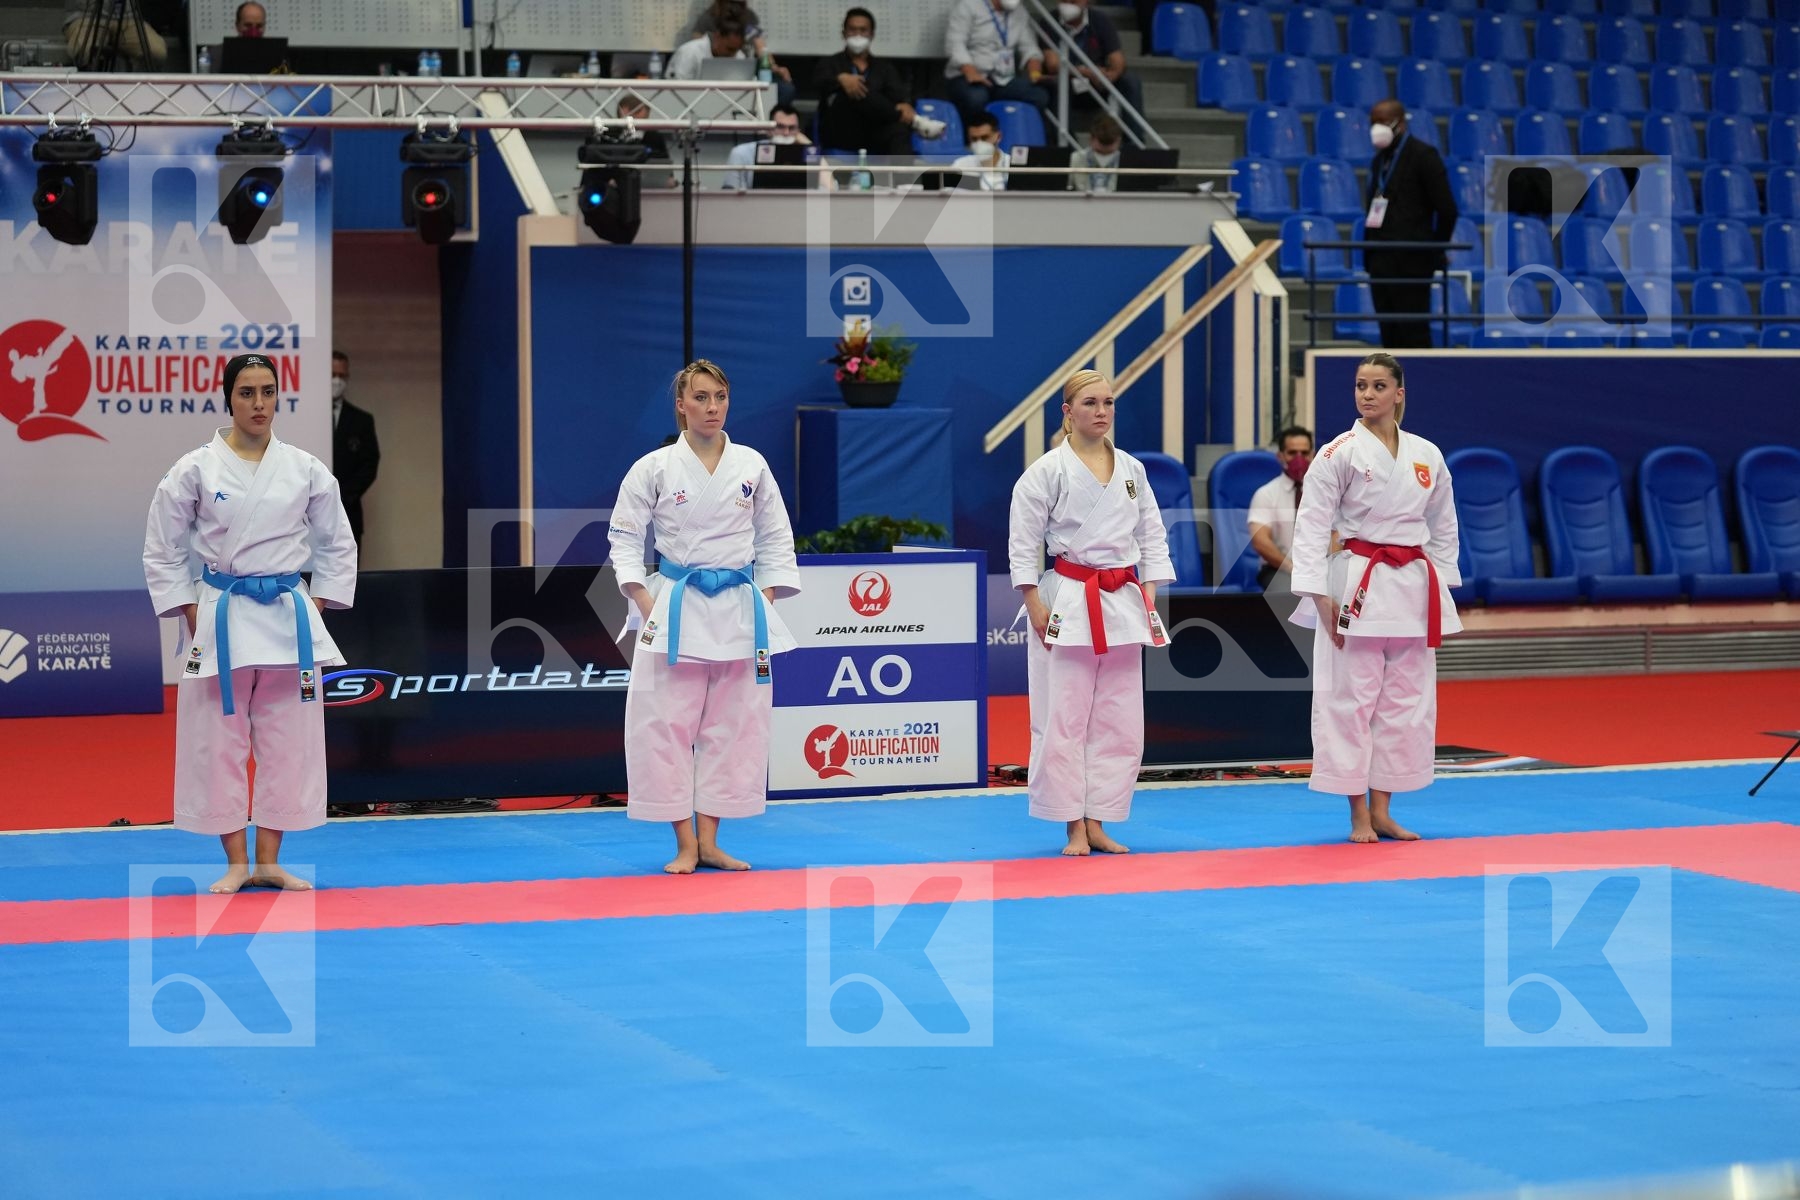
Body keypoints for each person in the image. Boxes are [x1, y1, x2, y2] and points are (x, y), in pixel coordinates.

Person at [142, 353, 358, 894]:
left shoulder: (305, 467)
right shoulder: (195, 468)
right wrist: (188, 609)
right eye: (246, 393)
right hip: (224, 614)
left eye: (267, 391)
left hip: (288, 618)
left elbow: (337, 542)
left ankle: (269, 860)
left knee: (290, 741)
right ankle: (236, 861)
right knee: (218, 741)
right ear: (228, 398)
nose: (258, 403)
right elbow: (162, 546)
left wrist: (318, 605)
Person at [607, 359, 802, 874]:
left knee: (735, 726)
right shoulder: (653, 467)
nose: (711, 407)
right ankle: (684, 843)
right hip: (676, 604)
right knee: (663, 724)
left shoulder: (752, 464)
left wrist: (768, 600)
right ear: (680, 404)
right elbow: (625, 537)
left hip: (740, 605)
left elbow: (776, 535)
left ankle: (711, 839)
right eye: (700, 398)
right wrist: (644, 600)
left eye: (719, 397)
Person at [1289, 353, 1461, 844]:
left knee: (1405, 703)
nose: (1367, 394)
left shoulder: (1427, 454)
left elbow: (1444, 525)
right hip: (1356, 582)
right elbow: (1312, 525)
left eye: (1379, 386)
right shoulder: (1337, 452)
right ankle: (1357, 814)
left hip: (1411, 586)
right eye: (1361, 385)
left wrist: (1442, 590)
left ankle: (1384, 809)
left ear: (1399, 393)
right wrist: (1317, 594)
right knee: (1350, 701)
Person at [1009, 369, 1174, 857]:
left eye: (1108, 402)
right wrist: (1032, 601)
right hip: (1068, 598)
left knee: (1120, 720)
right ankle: (1071, 825)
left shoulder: (1131, 469)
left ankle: (1099, 819)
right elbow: (1022, 543)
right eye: (1089, 403)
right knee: (1064, 717)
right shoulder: (1046, 471)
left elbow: (1151, 534)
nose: (1101, 411)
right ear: (1067, 411)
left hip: (1121, 600)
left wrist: (1149, 592)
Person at [1364, 100, 1459, 350]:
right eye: (1373, 123)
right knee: (1389, 333)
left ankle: (1420, 386)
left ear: (1400, 123)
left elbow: (1447, 210)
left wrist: (1435, 250)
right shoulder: (1378, 161)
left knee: (1413, 333)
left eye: (1383, 122)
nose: (1377, 128)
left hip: (1412, 260)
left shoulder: (1424, 156)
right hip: (1381, 261)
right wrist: (1370, 255)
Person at [814, 8, 947, 157]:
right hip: (840, 131)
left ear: (871, 34)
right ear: (844, 33)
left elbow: (898, 98)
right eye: (852, 30)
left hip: (874, 130)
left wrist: (903, 106)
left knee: (899, 130)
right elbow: (818, 82)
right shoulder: (829, 63)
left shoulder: (884, 68)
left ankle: (906, 180)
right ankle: (917, 122)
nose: (858, 34)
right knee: (853, 91)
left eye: (863, 30)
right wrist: (840, 79)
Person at [1042, 0, 1145, 134]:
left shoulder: (1100, 20)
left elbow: (1117, 59)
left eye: (1073, 1)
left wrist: (1109, 77)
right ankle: (1067, 145)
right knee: (1058, 84)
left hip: (1097, 86)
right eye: (1064, 0)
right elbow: (1053, 65)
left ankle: (1134, 144)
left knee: (1130, 81)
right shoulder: (1048, 22)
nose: (1068, 4)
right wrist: (1089, 72)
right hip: (1068, 85)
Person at [944, 0, 1049, 129]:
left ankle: (1013, 138)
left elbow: (1029, 48)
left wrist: (1035, 73)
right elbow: (954, 44)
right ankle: (974, 141)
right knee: (976, 98)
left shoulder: (1019, 11)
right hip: (967, 77)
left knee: (1038, 95)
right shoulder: (968, 6)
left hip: (1003, 79)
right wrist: (970, 72)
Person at [691, 0, 795, 106]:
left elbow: (760, 46)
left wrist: (773, 67)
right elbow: (697, 47)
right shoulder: (707, 19)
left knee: (785, 90)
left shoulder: (748, 17)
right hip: (714, 72)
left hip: (744, 70)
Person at [1247, 426, 1314, 589]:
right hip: (1278, 570)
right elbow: (1260, 541)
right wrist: (1292, 568)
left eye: (1304, 453)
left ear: (1313, 455)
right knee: (1291, 593)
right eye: (1292, 453)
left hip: (1318, 569)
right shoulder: (1266, 494)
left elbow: (1337, 534)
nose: (1299, 459)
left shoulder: (1326, 493)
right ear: (1280, 456)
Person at [329, 351, 379, 548]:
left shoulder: (362, 421)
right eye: (333, 374)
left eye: (342, 376)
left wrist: (344, 495)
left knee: (349, 576)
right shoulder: (309, 418)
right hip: (308, 517)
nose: (337, 381)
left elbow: (370, 464)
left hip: (349, 513)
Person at [718, 103, 810, 190]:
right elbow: (731, 195)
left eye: (792, 128)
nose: (786, 133)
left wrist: (809, 146)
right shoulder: (741, 153)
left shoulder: (806, 152)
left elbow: (823, 190)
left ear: (798, 131)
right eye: (780, 127)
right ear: (768, 130)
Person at [63, 0, 169, 69]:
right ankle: (87, 93)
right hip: (86, 15)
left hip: (129, 17)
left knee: (156, 51)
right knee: (84, 49)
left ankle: (136, 92)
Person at [665, 16, 748, 81]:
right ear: (717, 36)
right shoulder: (689, 52)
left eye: (736, 50)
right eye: (729, 49)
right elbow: (677, 86)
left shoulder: (739, 56)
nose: (732, 54)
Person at [1067, 113, 1123, 193]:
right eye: (1102, 143)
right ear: (1091, 139)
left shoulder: (1126, 161)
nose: (1105, 148)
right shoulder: (1076, 158)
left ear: (1118, 140)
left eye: (1109, 143)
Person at [953, 112, 1009, 191]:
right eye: (974, 139)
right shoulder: (960, 165)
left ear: (998, 137)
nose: (979, 143)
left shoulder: (1011, 164)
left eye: (984, 138)